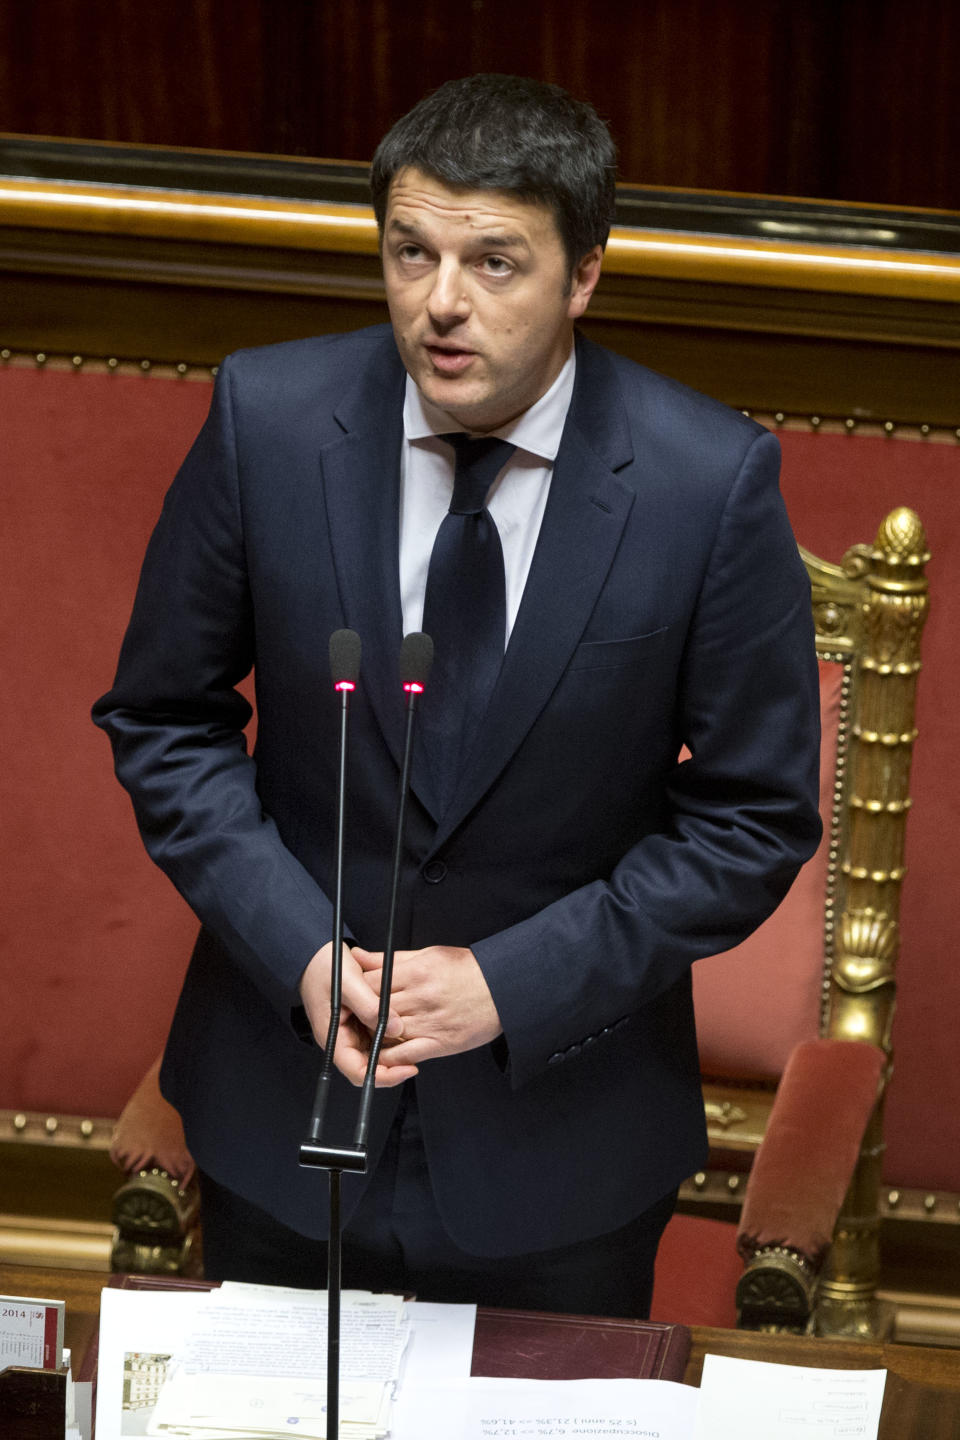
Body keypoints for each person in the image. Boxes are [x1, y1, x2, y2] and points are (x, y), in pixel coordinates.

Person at [93, 73, 821, 1317]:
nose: (441, 303)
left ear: (583, 274)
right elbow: (166, 721)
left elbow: (753, 819)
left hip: (564, 1152)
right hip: (282, 1114)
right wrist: (298, 948)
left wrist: (515, 982)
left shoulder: (709, 483)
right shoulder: (264, 421)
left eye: (494, 263)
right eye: (411, 252)